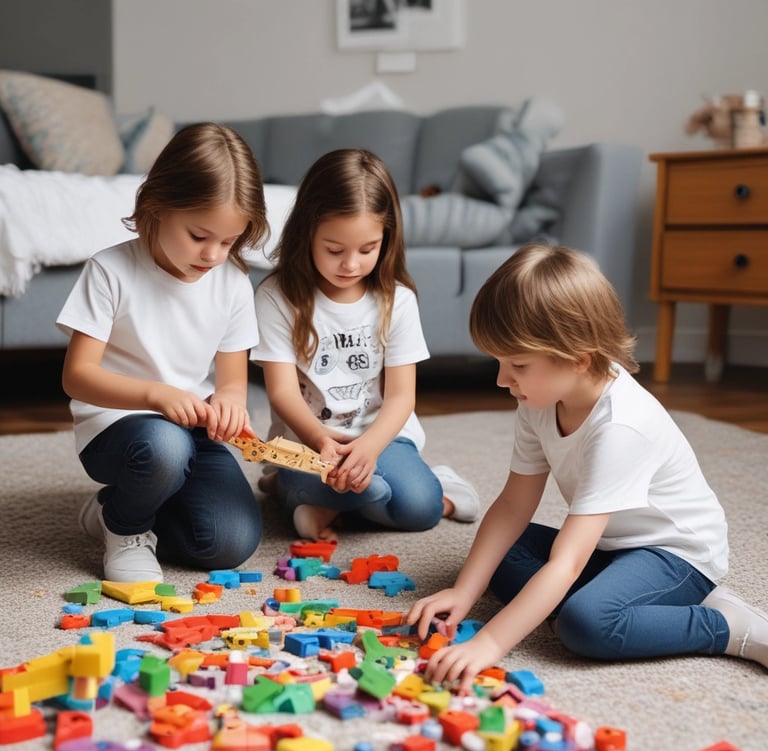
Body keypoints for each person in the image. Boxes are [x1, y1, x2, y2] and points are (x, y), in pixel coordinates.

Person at [407, 243, 768, 694]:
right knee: (496, 554)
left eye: (517, 365)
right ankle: (630, 605)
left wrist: (489, 642)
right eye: (499, 363)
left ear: (579, 358)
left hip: (676, 553)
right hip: (611, 546)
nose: (502, 380)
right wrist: (465, 592)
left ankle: (725, 625)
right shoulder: (538, 399)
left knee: (586, 624)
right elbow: (514, 503)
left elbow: (568, 560)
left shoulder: (622, 426)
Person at [56, 122, 269, 583]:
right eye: (199, 236)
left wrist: (230, 402)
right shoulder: (111, 270)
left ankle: (120, 502)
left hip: (194, 429)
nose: (213, 254)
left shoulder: (232, 282)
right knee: (164, 448)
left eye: (229, 241)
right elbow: (78, 376)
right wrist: (155, 396)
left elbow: (231, 379)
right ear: (156, 206)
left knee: (229, 543)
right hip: (118, 427)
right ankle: (125, 527)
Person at [251, 147, 478, 541]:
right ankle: (303, 488)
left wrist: (370, 449)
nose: (350, 265)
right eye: (334, 250)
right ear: (307, 233)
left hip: (383, 437)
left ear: (386, 239)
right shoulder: (276, 296)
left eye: (367, 249)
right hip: (309, 441)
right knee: (330, 485)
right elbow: (282, 392)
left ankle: (362, 500)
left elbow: (401, 397)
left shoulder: (397, 299)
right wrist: (320, 439)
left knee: (421, 509)